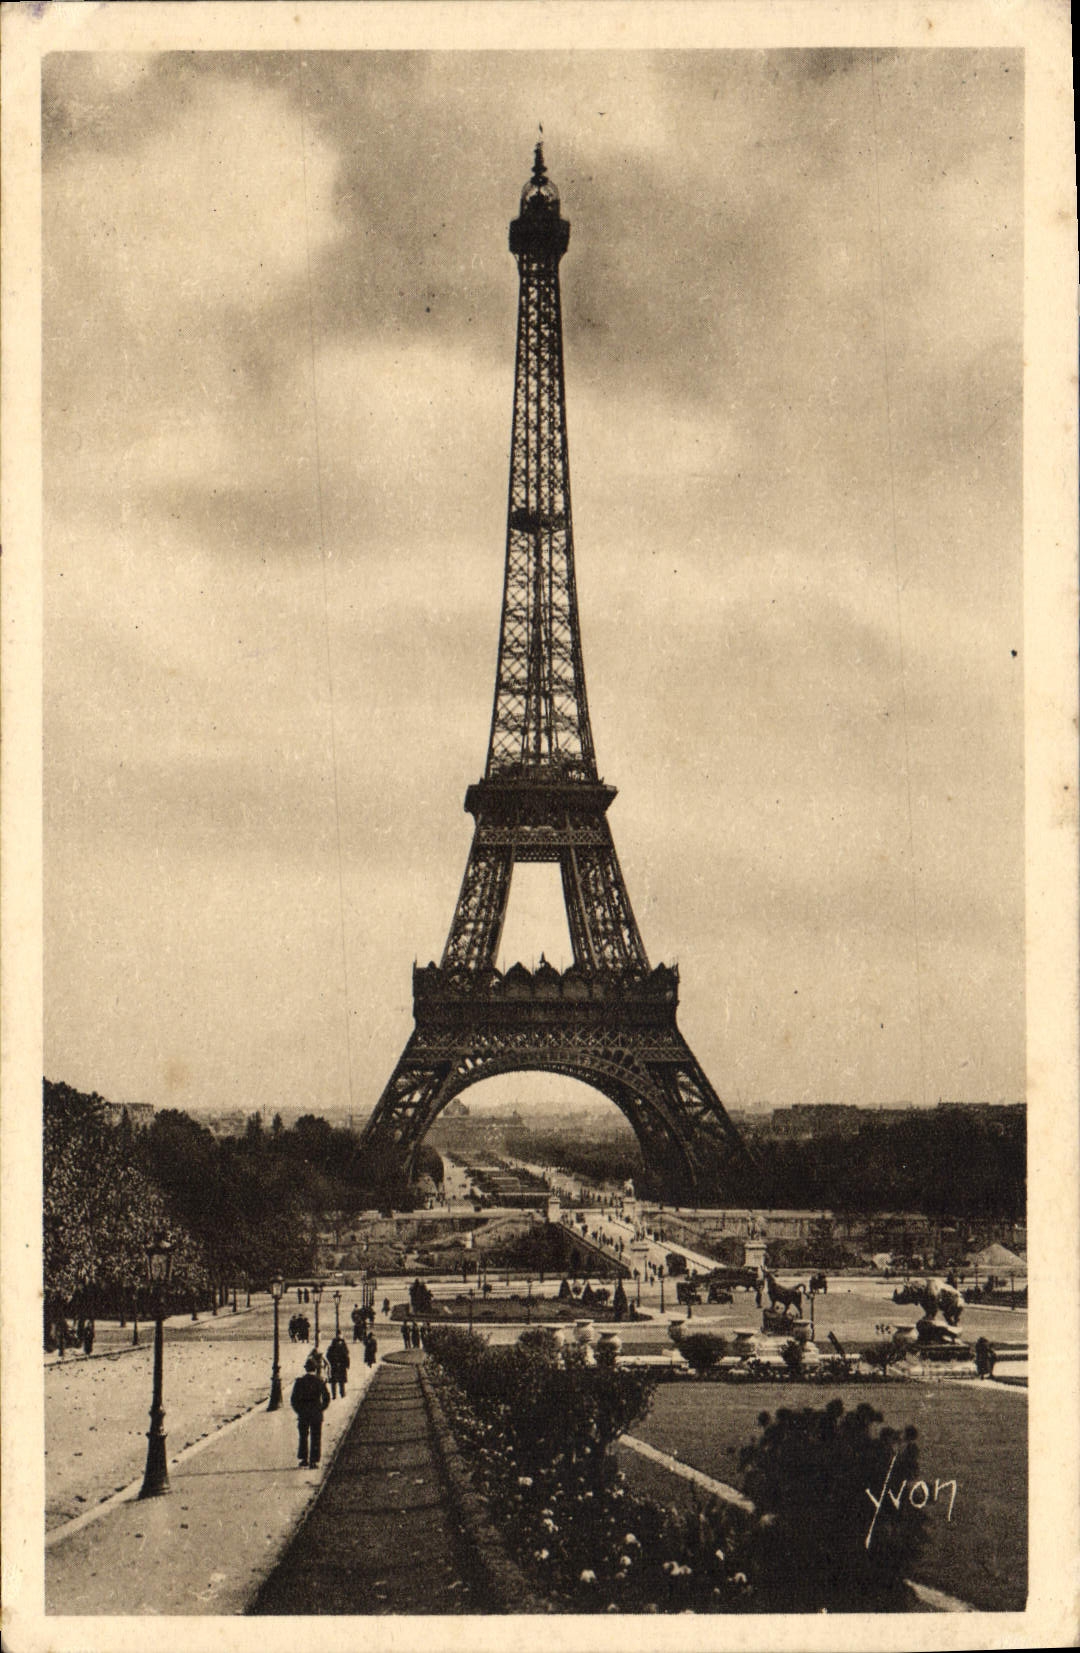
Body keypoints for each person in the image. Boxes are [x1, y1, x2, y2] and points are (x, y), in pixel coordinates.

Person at [290, 1354, 330, 1468]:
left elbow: (293, 1400)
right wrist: (321, 1409)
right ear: (315, 1369)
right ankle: (314, 1461)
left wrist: (299, 1410)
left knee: (303, 1436)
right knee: (316, 1436)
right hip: (316, 1414)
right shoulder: (319, 1381)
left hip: (303, 1413)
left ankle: (304, 1459)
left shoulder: (299, 1382)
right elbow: (326, 1398)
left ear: (306, 1369)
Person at [326, 1332, 350, 1398]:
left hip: (341, 1365)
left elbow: (346, 1355)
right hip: (335, 1365)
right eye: (339, 1335)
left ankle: (342, 1394)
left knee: (341, 1381)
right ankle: (335, 1395)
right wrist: (332, 1362)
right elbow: (328, 1355)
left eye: (340, 1335)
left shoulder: (343, 1344)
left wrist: (347, 1364)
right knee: (335, 1381)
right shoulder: (333, 1345)